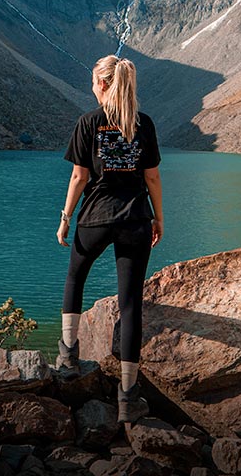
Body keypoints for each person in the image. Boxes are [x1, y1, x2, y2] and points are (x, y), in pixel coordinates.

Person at [56, 55, 163, 424]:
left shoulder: (88, 123)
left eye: (92, 81)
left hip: (96, 218)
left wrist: (66, 218)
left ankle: (68, 357)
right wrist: (158, 218)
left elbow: (79, 178)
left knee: (75, 278)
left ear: (102, 84)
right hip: (135, 219)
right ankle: (128, 398)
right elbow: (152, 178)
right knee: (131, 302)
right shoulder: (143, 124)